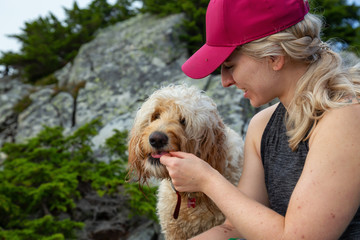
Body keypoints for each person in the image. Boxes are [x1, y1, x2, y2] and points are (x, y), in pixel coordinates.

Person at [159, 0, 360, 239]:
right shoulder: (262, 126)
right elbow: (234, 229)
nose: (225, 81)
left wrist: (207, 179)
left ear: (274, 57)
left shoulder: (345, 116)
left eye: (230, 66)